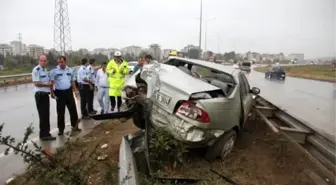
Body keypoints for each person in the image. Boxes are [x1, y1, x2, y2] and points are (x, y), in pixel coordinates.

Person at [50, 56, 81, 136]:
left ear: (65, 62)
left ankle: (75, 126)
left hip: (69, 92)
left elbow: (72, 81)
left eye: (62, 62)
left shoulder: (70, 70)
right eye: (59, 62)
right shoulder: (54, 71)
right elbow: (51, 83)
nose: (60, 64)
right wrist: (52, 93)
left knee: (73, 110)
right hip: (59, 93)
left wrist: (75, 90)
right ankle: (61, 129)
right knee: (60, 112)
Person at [32, 55, 56, 141]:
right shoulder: (36, 70)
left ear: (47, 62)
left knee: (46, 115)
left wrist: (52, 92)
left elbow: (49, 82)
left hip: (45, 94)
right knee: (43, 115)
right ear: (38, 61)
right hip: (40, 94)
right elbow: (36, 83)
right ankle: (44, 134)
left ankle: (46, 133)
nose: (43, 62)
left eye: (45, 61)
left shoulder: (45, 71)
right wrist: (47, 85)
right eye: (41, 60)